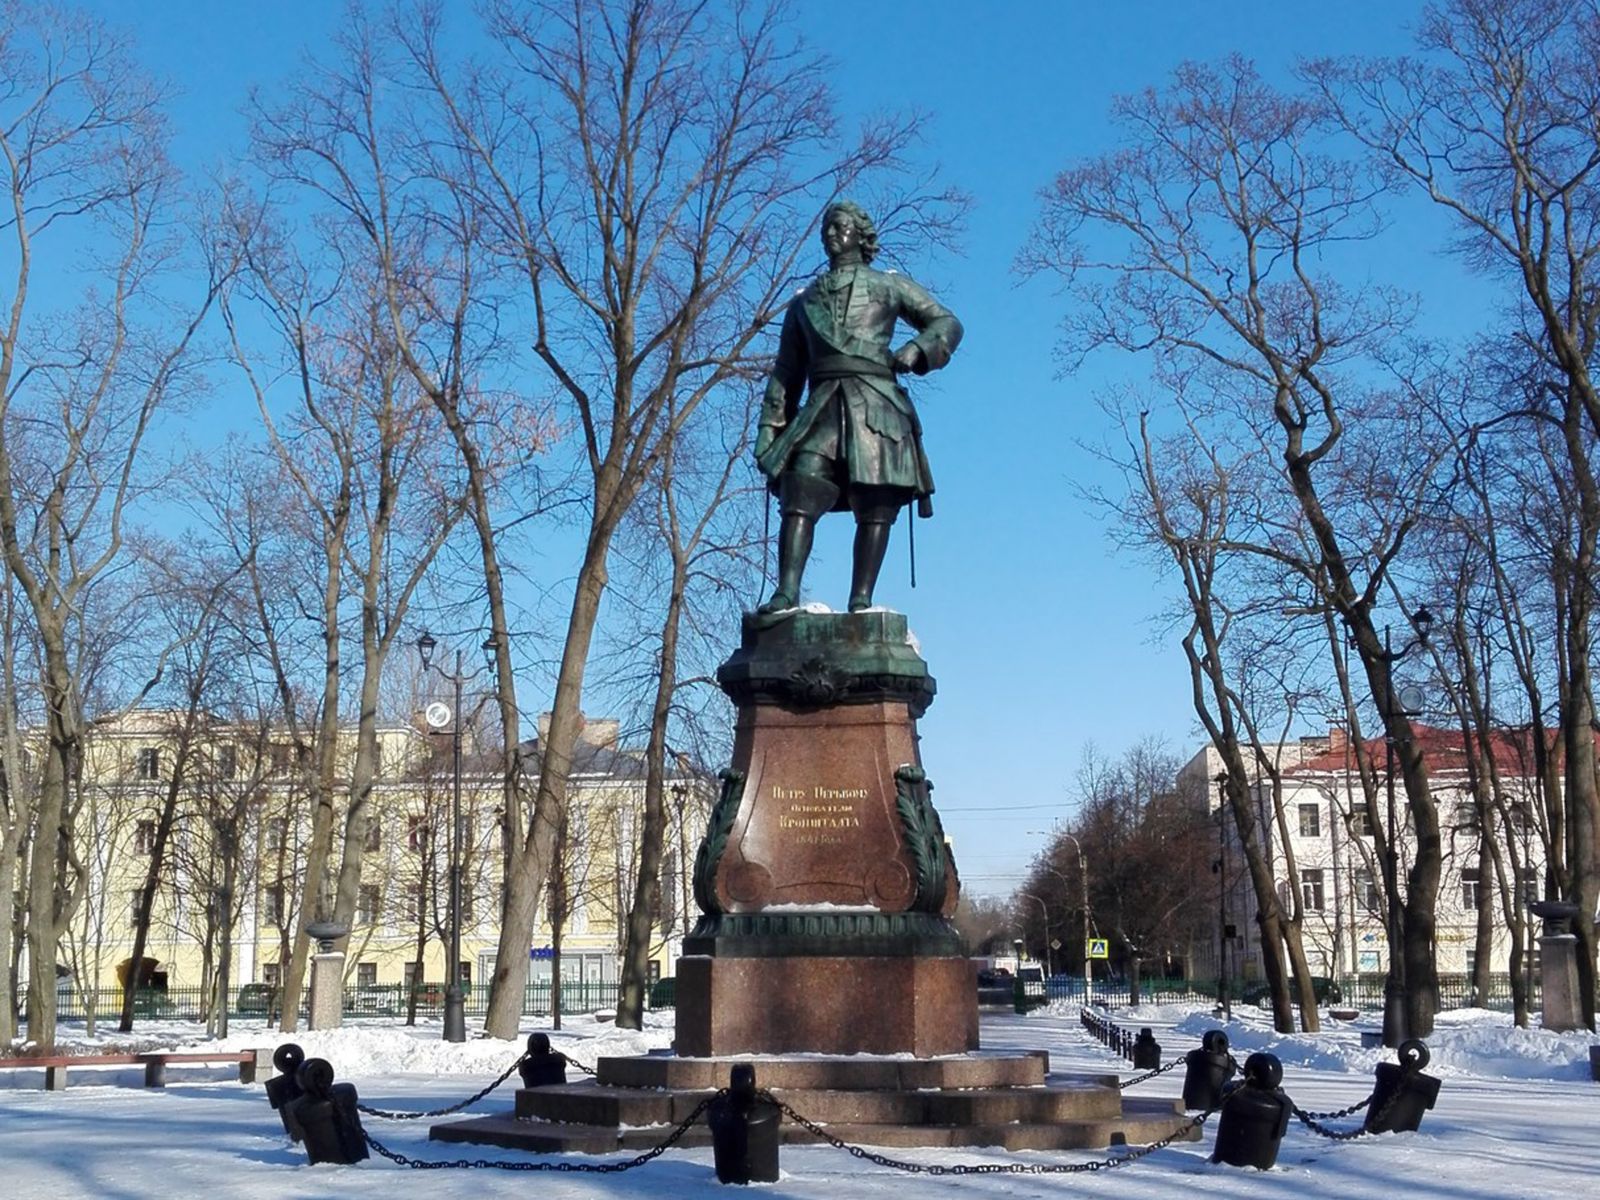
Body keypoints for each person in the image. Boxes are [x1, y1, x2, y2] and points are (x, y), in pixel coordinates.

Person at [755, 199, 962, 614]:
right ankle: (786, 592)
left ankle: (860, 599)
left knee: (877, 498)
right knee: (801, 483)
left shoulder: (890, 286)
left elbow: (947, 323)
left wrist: (917, 350)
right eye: (827, 228)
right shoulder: (803, 303)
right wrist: (769, 430)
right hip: (821, 406)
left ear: (861, 235)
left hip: (876, 403)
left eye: (841, 226)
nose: (832, 234)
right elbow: (786, 373)